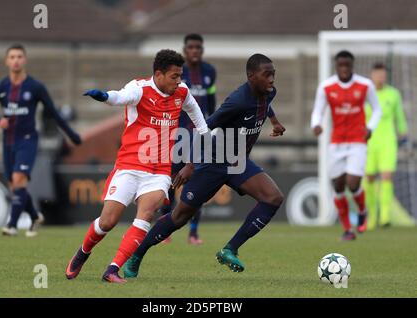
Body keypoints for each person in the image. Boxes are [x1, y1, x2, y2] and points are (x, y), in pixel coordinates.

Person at [123, 53, 286, 278]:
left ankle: (230, 249)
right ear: (251, 76)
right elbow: (204, 127)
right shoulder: (237, 101)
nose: (271, 79)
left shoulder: (269, 92)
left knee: (273, 198)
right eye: (266, 75)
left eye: (273, 74)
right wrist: (191, 164)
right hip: (213, 161)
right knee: (180, 217)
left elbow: (266, 105)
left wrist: (275, 122)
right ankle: (136, 254)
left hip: (237, 160)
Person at [65, 49, 209, 284]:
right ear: (159, 74)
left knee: (146, 214)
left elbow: (198, 118)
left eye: (180, 76)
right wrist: (103, 96)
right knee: (107, 222)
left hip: (160, 171)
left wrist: (202, 145)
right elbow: (119, 97)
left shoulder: (182, 93)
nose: (179, 81)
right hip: (130, 165)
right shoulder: (139, 89)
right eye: (174, 76)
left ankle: (113, 269)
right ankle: (83, 252)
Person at [0, 43, 82, 237]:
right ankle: (35, 216)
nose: (16, 60)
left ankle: (11, 224)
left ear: (24, 60)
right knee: (15, 186)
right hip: (8, 141)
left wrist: (71, 135)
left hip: (28, 140)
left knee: (19, 179)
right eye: (12, 57)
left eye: (19, 57)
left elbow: (53, 112)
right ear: (6, 61)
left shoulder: (35, 87)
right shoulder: (1, 87)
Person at [310, 50, 382, 241]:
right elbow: (317, 111)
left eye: (347, 65)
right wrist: (315, 124)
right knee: (339, 186)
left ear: (352, 65)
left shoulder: (365, 85)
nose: (344, 68)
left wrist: (370, 128)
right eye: (340, 65)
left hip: (358, 141)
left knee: (352, 183)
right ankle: (348, 230)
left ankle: (362, 210)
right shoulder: (326, 87)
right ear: (336, 66)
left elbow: (377, 109)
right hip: (336, 142)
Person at [159, 33, 217, 245]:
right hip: (176, 134)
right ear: (185, 50)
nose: (195, 51)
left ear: (202, 50)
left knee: (197, 183)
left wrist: (209, 129)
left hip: (198, 136)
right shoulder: (176, 73)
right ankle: (166, 229)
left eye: (198, 48)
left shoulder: (209, 72)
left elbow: (211, 103)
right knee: (171, 182)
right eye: (191, 47)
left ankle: (193, 232)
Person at [364, 62, 408, 229]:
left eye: (383, 75)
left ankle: (384, 216)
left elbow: (399, 116)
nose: (381, 77)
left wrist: (403, 133)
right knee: (369, 178)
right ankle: (371, 216)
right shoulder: (366, 94)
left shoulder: (393, 94)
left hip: (388, 142)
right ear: (372, 75)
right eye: (378, 74)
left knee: (386, 177)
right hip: (369, 142)